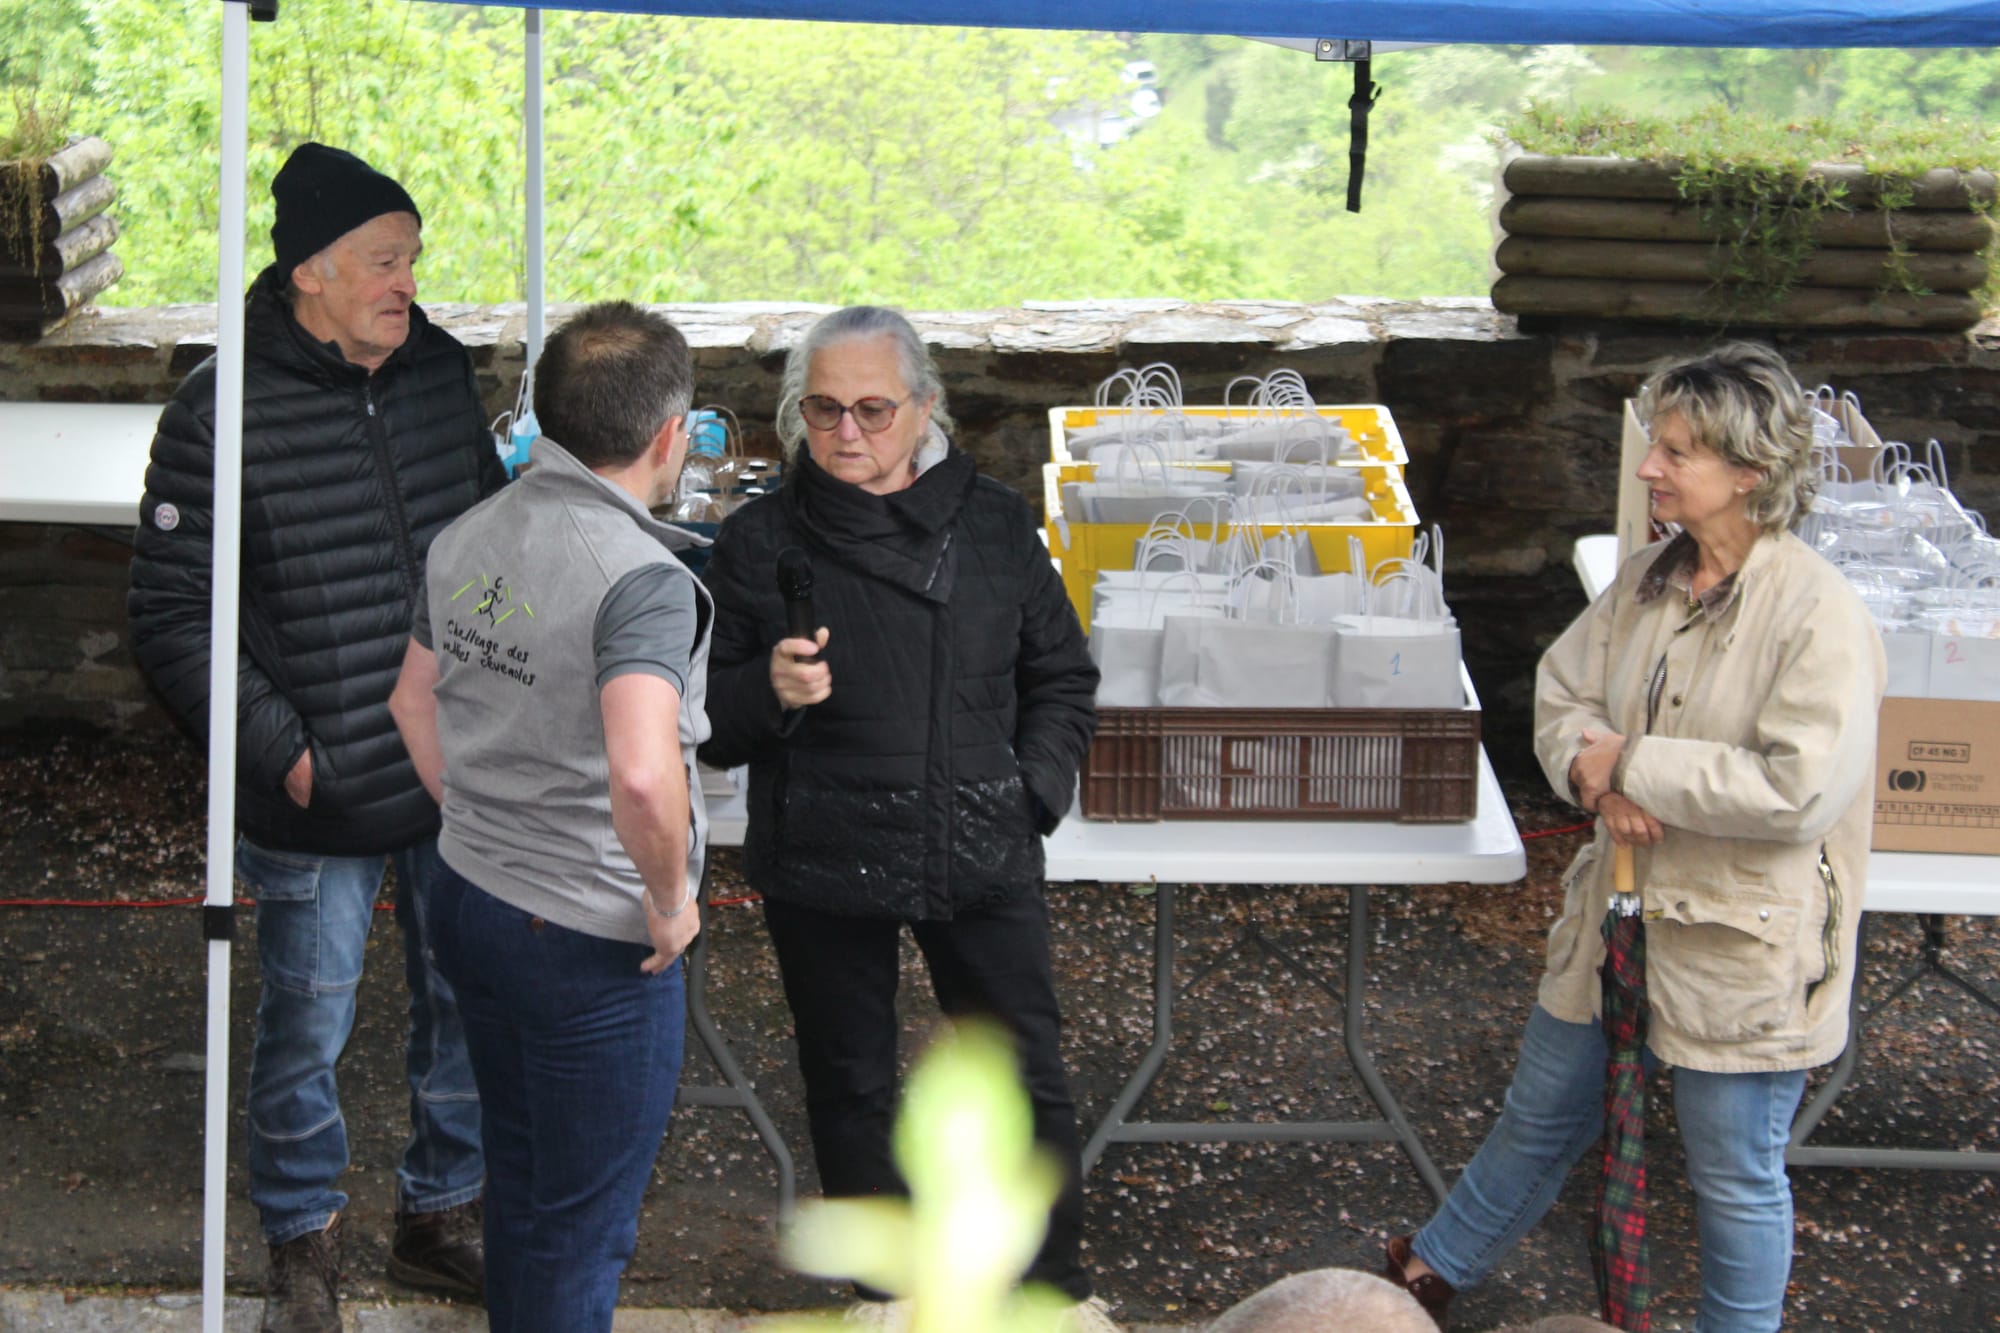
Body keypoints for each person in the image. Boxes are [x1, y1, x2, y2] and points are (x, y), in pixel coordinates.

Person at [1380, 342, 1886, 1333]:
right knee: (1538, 1114)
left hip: (1742, 943)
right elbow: (1563, 690)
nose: (1647, 468)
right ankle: (1424, 1277)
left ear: (1746, 471)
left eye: (1673, 452)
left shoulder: (1817, 612)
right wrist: (1588, 768)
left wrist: (1632, 764)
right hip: (1614, 905)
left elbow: (1796, 790)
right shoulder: (1650, 574)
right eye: (1653, 446)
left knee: (1731, 1172)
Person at [128, 142, 499, 1332]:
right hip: (315, 781)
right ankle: (303, 1246)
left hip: (456, 767)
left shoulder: (439, 373)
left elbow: (494, 551)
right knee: (306, 1020)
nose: (407, 283)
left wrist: (507, 694)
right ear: (310, 273)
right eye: (384, 262)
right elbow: (173, 615)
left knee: (467, 995)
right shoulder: (216, 407)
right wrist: (285, 749)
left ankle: (440, 1216)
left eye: (410, 259)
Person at [699, 306, 1112, 1330]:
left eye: (872, 409)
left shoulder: (992, 522)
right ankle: (885, 1301)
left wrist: (1028, 797)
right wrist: (767, 693)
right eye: (822, 409)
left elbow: (1061, 675)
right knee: (850, 1081)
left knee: (1024, 1075)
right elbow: (704, 719)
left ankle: (1052, 1296)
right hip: (824, 851)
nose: (846, 432)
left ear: (924, 407)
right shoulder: (755, 540)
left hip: (978, 841)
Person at [388, 301, 710, 1332]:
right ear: (669, 437)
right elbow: (645, 776)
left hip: (471, 898)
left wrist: (483, 820)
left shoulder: (468, 532)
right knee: (579, 1231)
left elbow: (409, 700)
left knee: (524, 1194)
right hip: (589, 939)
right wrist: (669, 899)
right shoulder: (642, 579)